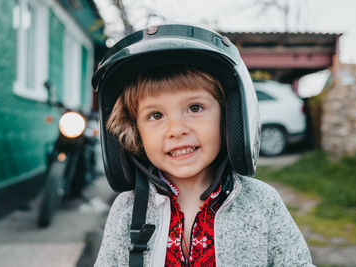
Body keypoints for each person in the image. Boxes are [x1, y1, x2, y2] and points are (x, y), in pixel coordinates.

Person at [92, 24, 314, 266]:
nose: (176, 129)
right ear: (135, 131)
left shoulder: (261, 203)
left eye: (194, 108)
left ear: (230, 119)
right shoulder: (126, 210)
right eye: (156, 115)